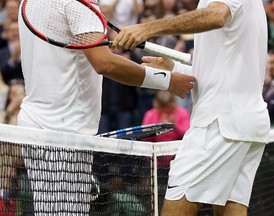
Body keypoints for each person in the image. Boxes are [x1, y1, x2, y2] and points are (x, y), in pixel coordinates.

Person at [17, 0, 195, 215]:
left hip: (35, 126)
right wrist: (167, 80)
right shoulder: (79, 3)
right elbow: (104, 63)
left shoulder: (30, 2)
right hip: (63, 134)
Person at [112, 0, 271, 216]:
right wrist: (174, 68)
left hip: (219, 125)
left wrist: (147, 28)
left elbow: (215, 16)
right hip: (247, 124)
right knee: (229, 210)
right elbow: (223, 68)